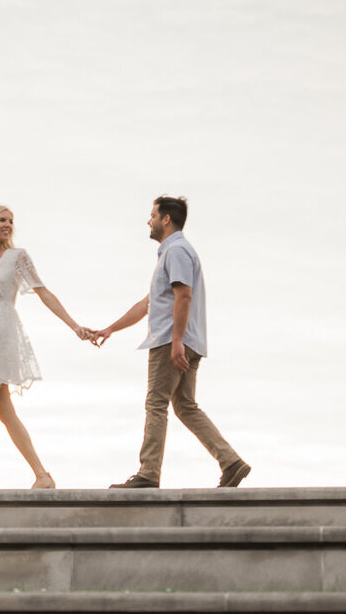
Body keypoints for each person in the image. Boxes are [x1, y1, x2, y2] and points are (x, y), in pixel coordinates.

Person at [92, 195, 250, 489]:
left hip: (171, 341)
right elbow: (148, 303)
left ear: (166, 219)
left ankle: (148, 473)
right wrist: (110, 329)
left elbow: (184, 295)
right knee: (185, 406)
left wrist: (176, 341)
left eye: (152, 215)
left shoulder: (176, 250)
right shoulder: (172, 253)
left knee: (156, 403)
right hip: (184, 340)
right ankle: (231, 462)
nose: (148, 221)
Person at [0, 205, 92, 489]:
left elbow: (43, 292)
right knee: (3, 410)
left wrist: (74, 325)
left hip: (3, 333)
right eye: (2, 220)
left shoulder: (18, 257)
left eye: (11, 221)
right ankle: (42, 476)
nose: (8, 225)